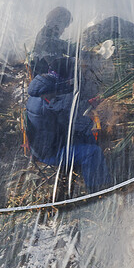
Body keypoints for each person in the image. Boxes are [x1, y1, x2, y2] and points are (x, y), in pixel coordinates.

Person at [25, 59, 111, 193]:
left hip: (41, 145)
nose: (56, 93)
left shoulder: (35, 98)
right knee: (94, 152)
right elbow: (71, 123)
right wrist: (88, 118)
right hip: (49, 153)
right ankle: (97, 188)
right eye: (54, 91)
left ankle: (92, 171)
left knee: (88, 137)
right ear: (47, 92)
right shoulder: (46, 108)